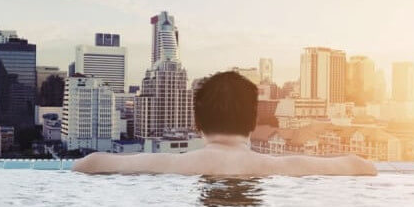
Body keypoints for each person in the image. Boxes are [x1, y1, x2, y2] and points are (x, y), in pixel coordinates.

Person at [72, 71, 377, 176]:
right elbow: (363, 167)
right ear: (253, 120)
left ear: (197, 123)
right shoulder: (283, 168)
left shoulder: (169, 165)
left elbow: (87, 164)